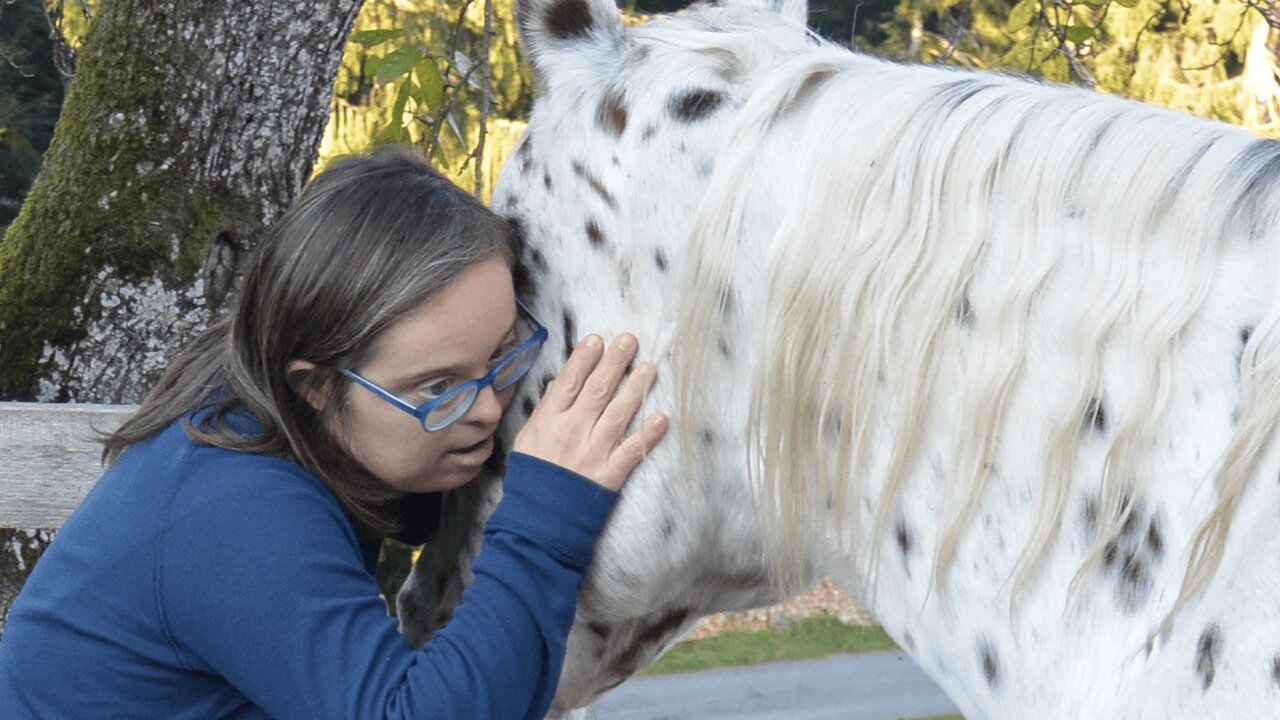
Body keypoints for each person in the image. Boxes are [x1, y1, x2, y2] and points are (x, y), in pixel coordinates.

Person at [0, 145, 669, 719]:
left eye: (501, 356)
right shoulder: (234, 508)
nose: (488, 409)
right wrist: (547, 513)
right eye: (438, 388)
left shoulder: (266, 421)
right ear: (317, 386)